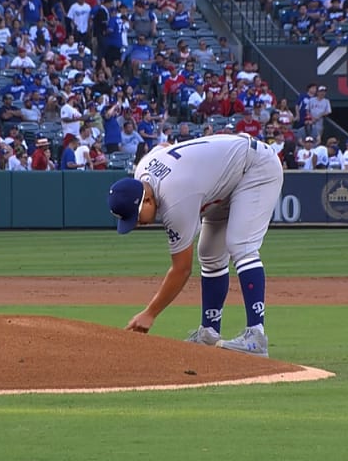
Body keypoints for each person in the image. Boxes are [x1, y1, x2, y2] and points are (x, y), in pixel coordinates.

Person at [107, 133, 284, 357]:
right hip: (227, 176)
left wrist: (150, 313)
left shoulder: (174, 200)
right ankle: (209, 332)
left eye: (136, 216)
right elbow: (164, 146)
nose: (136, 224)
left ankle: (256, 337)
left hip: (255, 167)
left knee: (242, 244)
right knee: (209, 253)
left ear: (148, 200)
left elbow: (181, 269)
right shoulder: (143, 169)